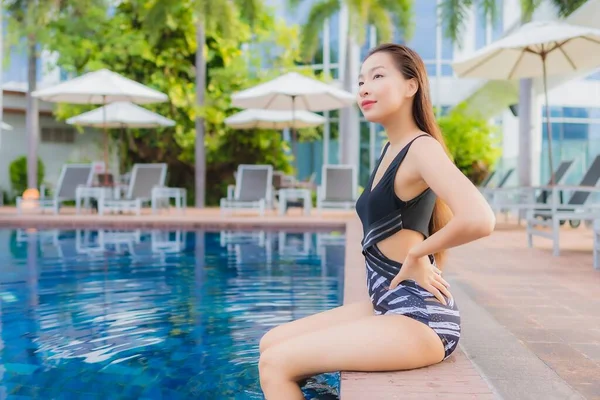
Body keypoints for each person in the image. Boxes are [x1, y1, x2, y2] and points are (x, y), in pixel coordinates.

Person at [257, 43, 496, 399]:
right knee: (270, 343)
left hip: (421, 317)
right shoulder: (390, 150)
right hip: (386, 301)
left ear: (411, 85)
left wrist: (418, 255)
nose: (364, 88)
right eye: (360, 81)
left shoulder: (421, 148)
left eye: (378, 76)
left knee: (276, 364)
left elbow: (480, 218)